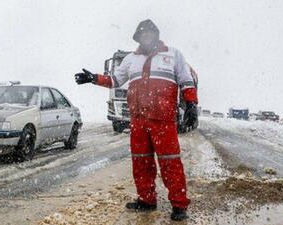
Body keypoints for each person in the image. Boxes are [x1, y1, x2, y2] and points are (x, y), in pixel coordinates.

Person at [74, 19, 198, 221]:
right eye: (143, 34)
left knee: (170, 162)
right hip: (138, 119)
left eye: (150, 33)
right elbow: (115, 80)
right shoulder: (130, 59)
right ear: (138, 37)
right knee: (141, 161)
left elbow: (185, 80)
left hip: (163, 119)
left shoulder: (173, 54)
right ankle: (147, 200)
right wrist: (94, 78)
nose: (146, 37)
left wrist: (191, 103)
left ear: (156, 34)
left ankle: (179, 204)